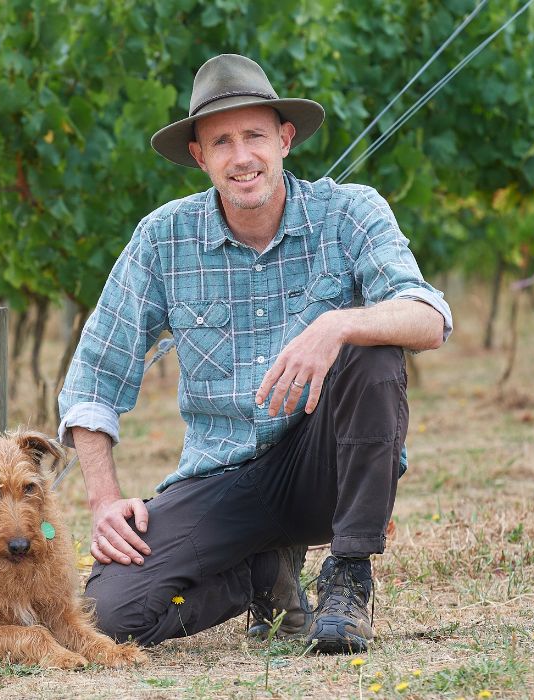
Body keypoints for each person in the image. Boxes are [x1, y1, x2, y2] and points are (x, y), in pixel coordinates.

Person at [57, 53, 452, 653]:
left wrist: (338, 324)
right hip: (222, 479)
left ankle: (348, 573)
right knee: (106, 615)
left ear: (285, 139)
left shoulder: (350, 212)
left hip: (327, 469)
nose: (242, 157)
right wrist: (104, 500)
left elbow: (430, 318)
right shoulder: (163, 239)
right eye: (221, 142)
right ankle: (263, 575)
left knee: (373, 353)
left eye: (255, 136)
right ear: (200, 156)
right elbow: (92, 378)